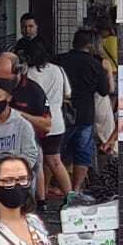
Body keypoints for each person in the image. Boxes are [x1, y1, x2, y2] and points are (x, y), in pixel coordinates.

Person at [54, 29, 109, 205]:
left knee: (54, 153)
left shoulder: (59, 60)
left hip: (63, 113)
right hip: (85, 115)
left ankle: (51, 189)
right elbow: (104, 90)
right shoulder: (94, 64)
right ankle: (76, 190)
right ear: (89, 45)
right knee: (82, 154)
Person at [17, 41, 73, 204]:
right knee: (55, 161)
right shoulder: (59, 70)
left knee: (38, 162)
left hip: (35, 121)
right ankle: (70, 196)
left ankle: (40, 200)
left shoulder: (29, 74)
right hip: (57, 121)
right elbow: (68, 93)